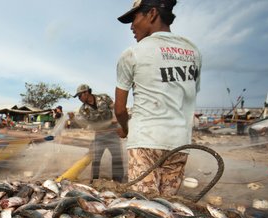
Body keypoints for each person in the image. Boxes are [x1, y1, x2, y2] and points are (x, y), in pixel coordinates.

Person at [114, 0, 202, 195]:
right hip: (180, 142)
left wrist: (125, 128)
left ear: (152, 13)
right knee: (166, 206)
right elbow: (189, 93)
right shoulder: (193, 51)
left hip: (145, 141)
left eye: (134, 18)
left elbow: (119, 109)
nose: (131, 27)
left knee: (145, 209)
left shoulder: (132, 53)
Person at [74, 84, 124, 182]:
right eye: (78, 97)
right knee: (96, 158)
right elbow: (88, 124)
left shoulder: (103, 98)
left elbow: (114, 108)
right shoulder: (83, 110)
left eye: (80, 95)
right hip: (100, 134)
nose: (79, 98)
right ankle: (94, 179)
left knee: (116, 157)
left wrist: (116, 119)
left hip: (113, 132)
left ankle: (118, 180)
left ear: (86, 92)